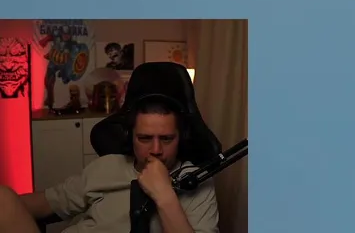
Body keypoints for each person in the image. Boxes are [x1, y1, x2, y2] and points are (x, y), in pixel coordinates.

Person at [0, 96, 218, 233]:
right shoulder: (106, 166)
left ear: (181, 138)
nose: (156, 149)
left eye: (167, 139)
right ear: (130, 138)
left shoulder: (197, 181)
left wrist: (164, 195)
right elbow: (49, 202)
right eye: (144, 138)